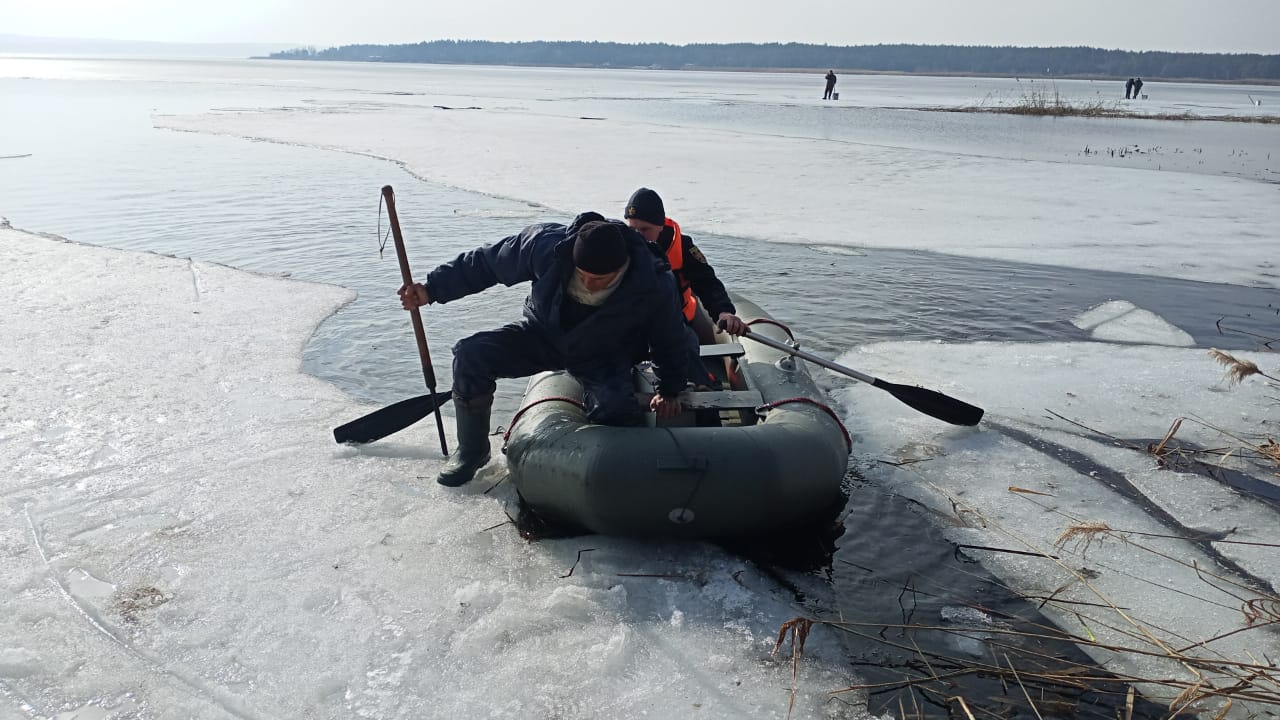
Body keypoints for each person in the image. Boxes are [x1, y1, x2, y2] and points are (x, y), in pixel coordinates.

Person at [398, 213, 694, 487]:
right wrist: (432, 289)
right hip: (544, 335)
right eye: (583, 275)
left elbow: (668, 337)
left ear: (622, 267)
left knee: (615, 406)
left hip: (605, 352)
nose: (589, 285)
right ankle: (472, 451)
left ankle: (611, 477)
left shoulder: (652, 280)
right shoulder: (546, 246)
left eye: (600, 280)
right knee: (470, 355)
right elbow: (487, 263)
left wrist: (670, 388)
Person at [623, 187, 748, 343]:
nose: (638, 236)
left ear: (660, 225)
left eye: (645, 229)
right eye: (632, 228)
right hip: (632, 324)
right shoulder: (621, 244)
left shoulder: (683, 246)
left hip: (676, 323)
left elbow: (707, 282)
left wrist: (723, 311)